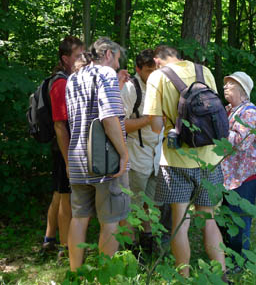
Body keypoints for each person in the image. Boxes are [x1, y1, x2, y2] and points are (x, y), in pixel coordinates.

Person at [142, 45, 226, 278]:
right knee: (208, 219)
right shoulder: (204, 71)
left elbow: (156, 126)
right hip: (210, 157)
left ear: (158, 60)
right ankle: (222, 276)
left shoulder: (157, 77)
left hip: (177, 160)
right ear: (178, 56)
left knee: (180, 222)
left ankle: (184, 277)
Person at [65, 37, 130, 271]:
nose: (117, 65)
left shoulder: (73, 78)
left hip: (78, 159)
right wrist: (124, 154)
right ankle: (104, 275)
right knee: (110, 221)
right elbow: (109, 117)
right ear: (109, 54)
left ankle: (74, 273)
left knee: (79, 218)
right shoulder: (106, 74)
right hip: (105, 162)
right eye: (118, 59)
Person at [120, 49, 164, 252]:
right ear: (138, 69)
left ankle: (148, 240)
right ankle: (131, 248)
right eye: (148, 70)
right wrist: (148, 119)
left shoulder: (161, 86)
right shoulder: (131, 89)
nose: (153, 74)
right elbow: (119, 124)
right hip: (136, 155)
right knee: (131, 203)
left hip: (157, 156)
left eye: (155, 69)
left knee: (150, 203)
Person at [42, 36, 83, 258]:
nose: (82, 59)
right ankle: (65, 248)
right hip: (63, 148)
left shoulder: (68, 79)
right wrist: (68, 160)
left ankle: (49, 239)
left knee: (58, 193)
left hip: (62, 148)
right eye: (78, 56)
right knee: (66, 196)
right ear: (66, 58)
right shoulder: (60, 83)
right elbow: (60, 124)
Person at [221, 72, 256, 271]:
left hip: (246, 177)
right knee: (229, 216)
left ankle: (240, 261)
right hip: (231, 175)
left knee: (240, 220)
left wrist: (218, 129)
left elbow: (241, 143)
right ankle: (228, 256)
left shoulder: (249, 112)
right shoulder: (230, 110)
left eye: (230, 84)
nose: (225, 87)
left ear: (242, 89)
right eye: (225, 84)